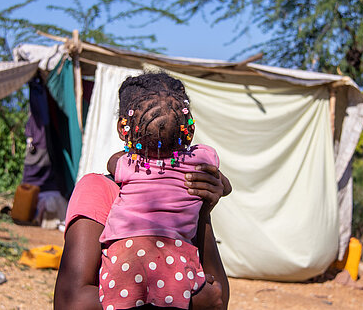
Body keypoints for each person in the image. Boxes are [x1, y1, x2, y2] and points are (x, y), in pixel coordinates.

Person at [54, 73, 231, 310]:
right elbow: (71, 303)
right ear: (187, 129)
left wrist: (204, 212)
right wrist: (186, 304)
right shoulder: (98, 189)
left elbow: (218, 299)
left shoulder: (189, 194)